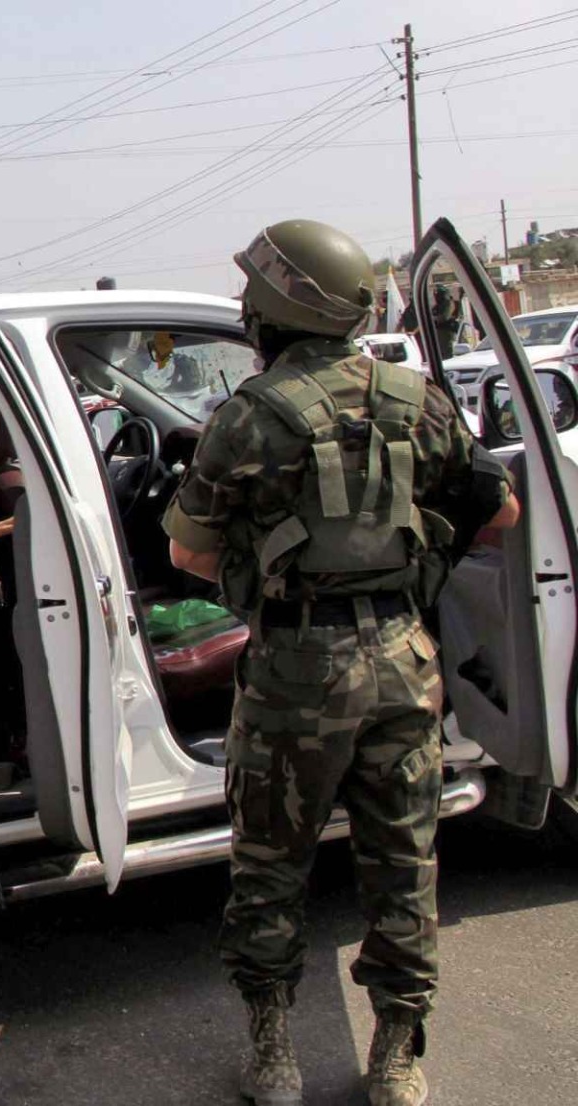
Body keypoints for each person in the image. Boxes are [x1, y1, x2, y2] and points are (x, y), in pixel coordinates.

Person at [163, 220, 520, 1106]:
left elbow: (187, 557)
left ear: (278, 305)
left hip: (296, 667)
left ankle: (275, 1053)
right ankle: (397, 1058)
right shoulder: (418, 398)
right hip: (405, 658)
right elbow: (502, 513)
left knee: (271, 862)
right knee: (403, 859)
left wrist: (276, 559)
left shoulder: (247, 416)